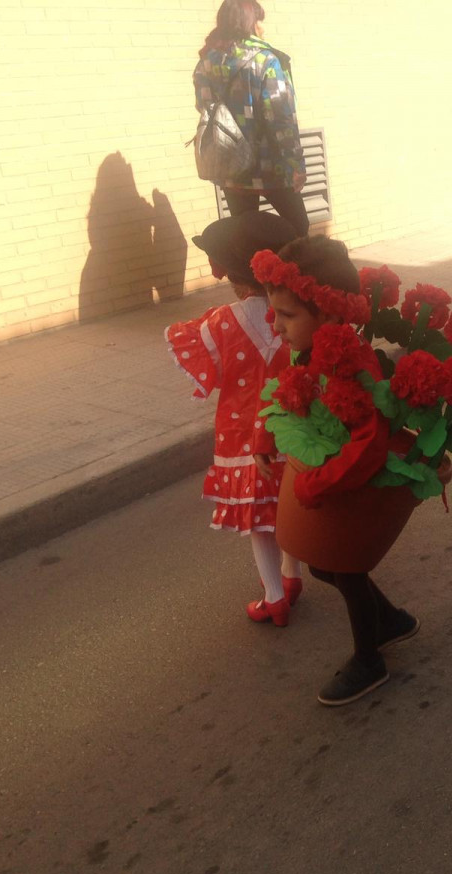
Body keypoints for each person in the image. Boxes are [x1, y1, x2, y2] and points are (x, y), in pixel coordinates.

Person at [258, 236, 423, 704]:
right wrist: (264, 438)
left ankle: (368, 660)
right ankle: (391, 620)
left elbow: (369, 444)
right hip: (331, 479)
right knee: (324, 568)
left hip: (354, 484)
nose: (277, 325)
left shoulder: (353, 367)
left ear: (329, 315)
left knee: (343, 568)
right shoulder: (306, 349)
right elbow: (282, 393)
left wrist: (317, 481)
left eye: (287, 316)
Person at [165, 211, 304, 626]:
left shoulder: (220, 322)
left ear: (231, 272)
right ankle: (292, 574)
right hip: (292, 430)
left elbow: (212, 368)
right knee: (289, 504)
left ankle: (275, 597)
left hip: (242, 435)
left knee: (259, 523)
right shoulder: (294, 314)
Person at [193, 0, 309, 237]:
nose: (262, 28)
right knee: (298, 229)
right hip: (272, 165)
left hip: (232, 164)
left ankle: (253, 273)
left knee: (245, 235)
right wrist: (296, 164)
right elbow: (280, 118)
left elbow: (203, 106)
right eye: (258, 21)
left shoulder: (206, 62)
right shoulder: (264, 60)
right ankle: (291, 273)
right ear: (248, 23)